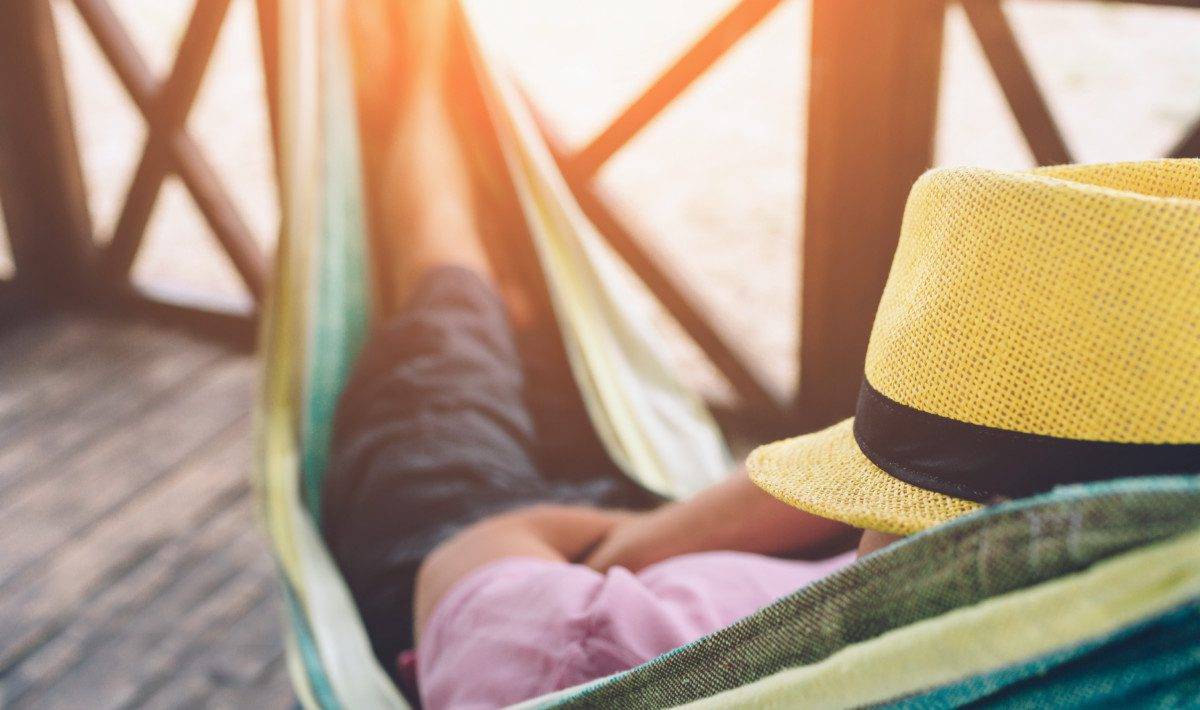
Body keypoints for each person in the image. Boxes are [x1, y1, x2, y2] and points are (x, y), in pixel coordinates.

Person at [323, 2, 1200, 707]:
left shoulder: (580, 669)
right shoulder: (1143, 626)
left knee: (448, 333)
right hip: (656, 548)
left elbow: (473, 557)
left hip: (509, 568)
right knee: (533, 351)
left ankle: (421, 104)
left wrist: (629, 546)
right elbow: (937, 474)